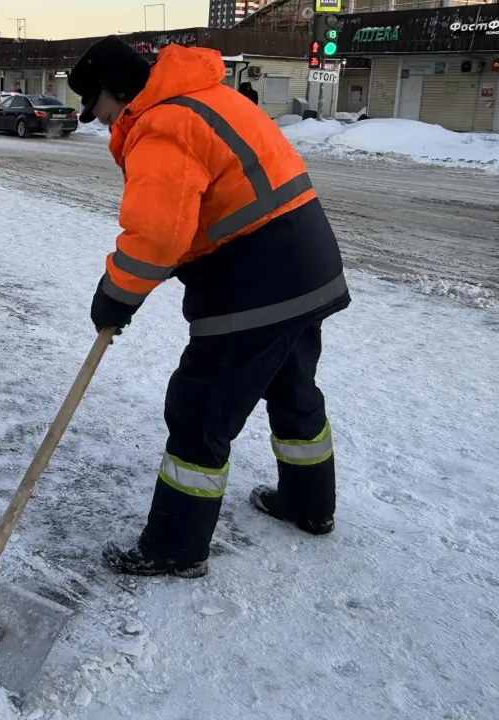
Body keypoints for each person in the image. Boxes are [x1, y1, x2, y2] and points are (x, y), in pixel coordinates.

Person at [68, 37, 350, 578]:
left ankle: (175, 548)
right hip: (308, 266)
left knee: (201, 409)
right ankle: (308, 505)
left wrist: (115, 296)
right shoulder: (208, 97)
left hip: (254, 281)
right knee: (292, 390)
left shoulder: (162, 124)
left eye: (96, 104)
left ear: (117, 89)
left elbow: (157, 235)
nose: (97, 118)